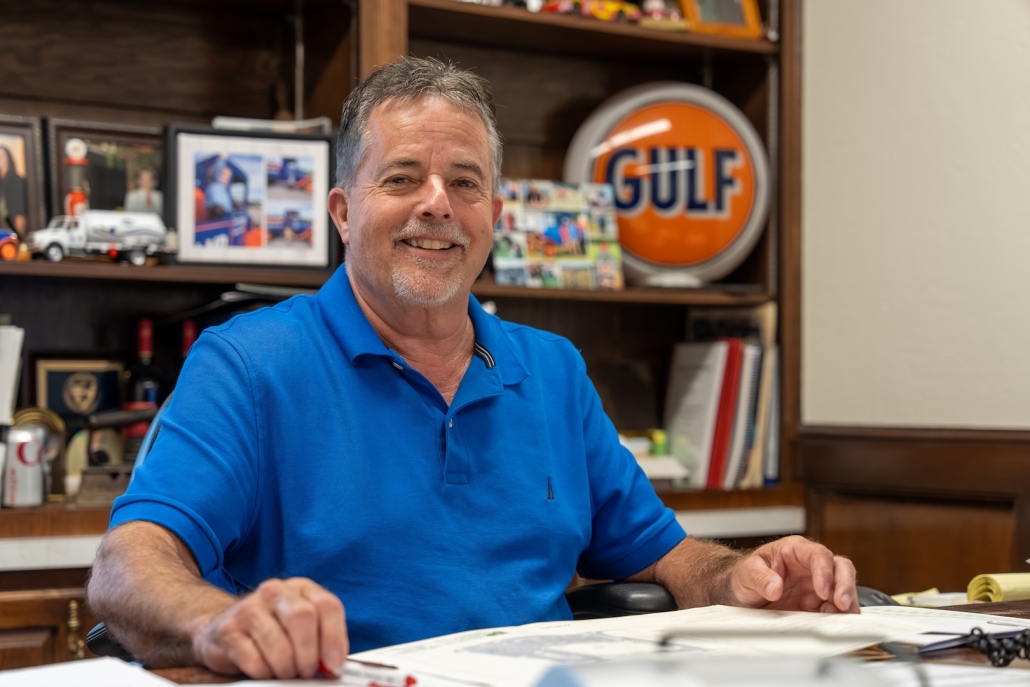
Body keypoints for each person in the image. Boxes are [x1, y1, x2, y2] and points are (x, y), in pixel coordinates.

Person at [87, 57, 857, 681]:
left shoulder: (552, 369)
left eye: (465, 182)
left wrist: (746, 576)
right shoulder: (248, 363)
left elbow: (667, 556)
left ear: (495, 212)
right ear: (343, 211)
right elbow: (128, 565)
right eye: (401, 178)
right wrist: (216, 621)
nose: (437, 205)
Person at [0, 144, 28, 238]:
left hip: (11, 235)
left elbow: (20, 214)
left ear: (8, 158)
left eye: (2, 156)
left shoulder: (16, 180)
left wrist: (17, 238)